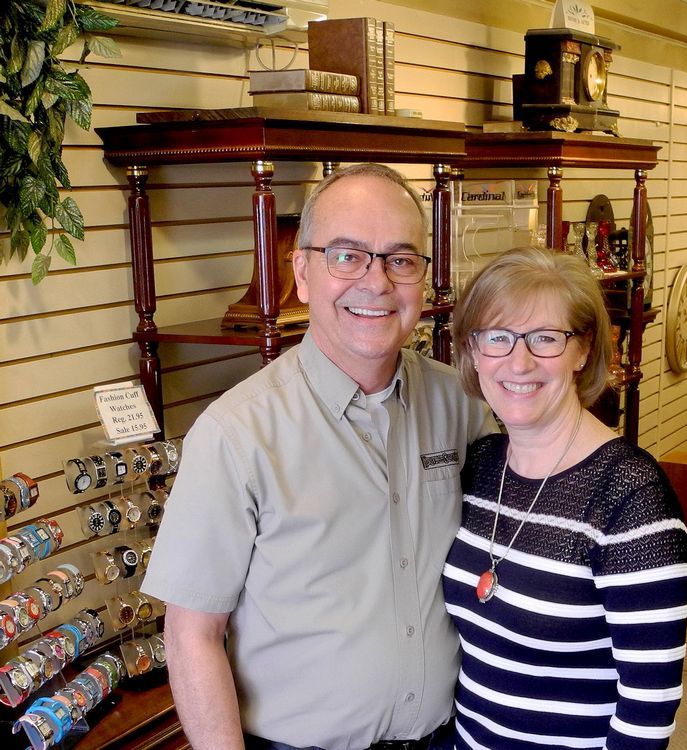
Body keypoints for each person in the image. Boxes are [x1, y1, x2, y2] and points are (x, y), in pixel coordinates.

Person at [142, 163, 495, 750]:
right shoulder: (236, 434)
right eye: (347, 256)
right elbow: (190, 637)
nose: (377, 283)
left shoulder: (462, 405)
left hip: (448, 736)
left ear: (424, 280)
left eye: (401, 260)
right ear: (302, 273)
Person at [443, 247, 687, 750]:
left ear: (583, 350)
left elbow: (647, 712)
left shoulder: (632, 498)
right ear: (473, 352)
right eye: (497, 337)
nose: (519, 361)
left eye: (545, 338)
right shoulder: (481, 465)